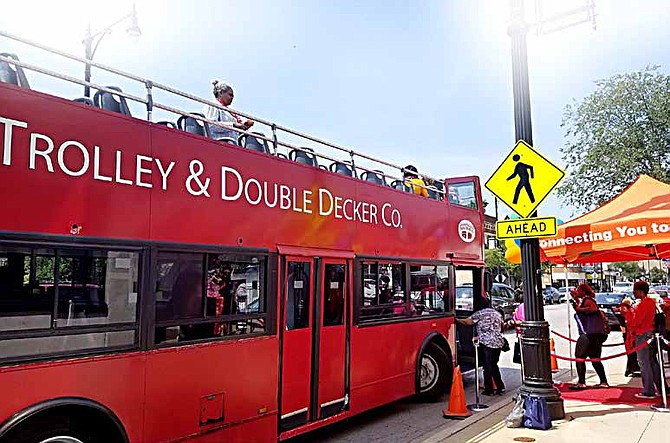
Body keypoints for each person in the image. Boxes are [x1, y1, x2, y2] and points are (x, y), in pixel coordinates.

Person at [457, 299, 506, 395]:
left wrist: (456, 319)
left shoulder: (480, 313)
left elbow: (468, 322)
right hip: (498, 343)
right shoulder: (497, 313)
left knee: (487, 366)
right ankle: (500, 387)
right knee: (494, 365)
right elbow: (502, 326)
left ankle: (489, 390)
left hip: (486, 343)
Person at [628, 280, 666, 399]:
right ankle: (661, 388)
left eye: (635, 290)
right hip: (649, 333)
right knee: (651, 362)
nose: (633, 293)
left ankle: (648, 390)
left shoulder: (645, 303)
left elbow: (638, 320)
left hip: (643, 334)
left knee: (644, 363)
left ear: (640, 291)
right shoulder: (650, 302)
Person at [569, 283, 609, 390]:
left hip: (589, 333)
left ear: (583, 291)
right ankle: (603, 381)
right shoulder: (585, 300)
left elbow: (592, 309)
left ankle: (581, 382)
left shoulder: (588, 300)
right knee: (595, 358)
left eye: (578, 290)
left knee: (579, 356)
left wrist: (579, 309)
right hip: (595, 334)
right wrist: (576, 300)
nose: (577, 292)